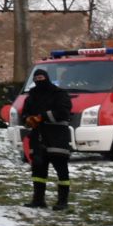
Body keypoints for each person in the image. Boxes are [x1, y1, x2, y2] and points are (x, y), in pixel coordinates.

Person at [22, 66, 74, 210]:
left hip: (57, 138)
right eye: (36, 79)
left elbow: (63, 112)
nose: (39, 81)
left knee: (62, 171)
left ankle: (62, 202)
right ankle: (38, 200)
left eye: (41, 78)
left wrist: (43, 116)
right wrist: (28, 119)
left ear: (47, 78)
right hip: (38, 138)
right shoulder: (31, 96)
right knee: (38, 172)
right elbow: (24, 113)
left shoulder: (59, 94)